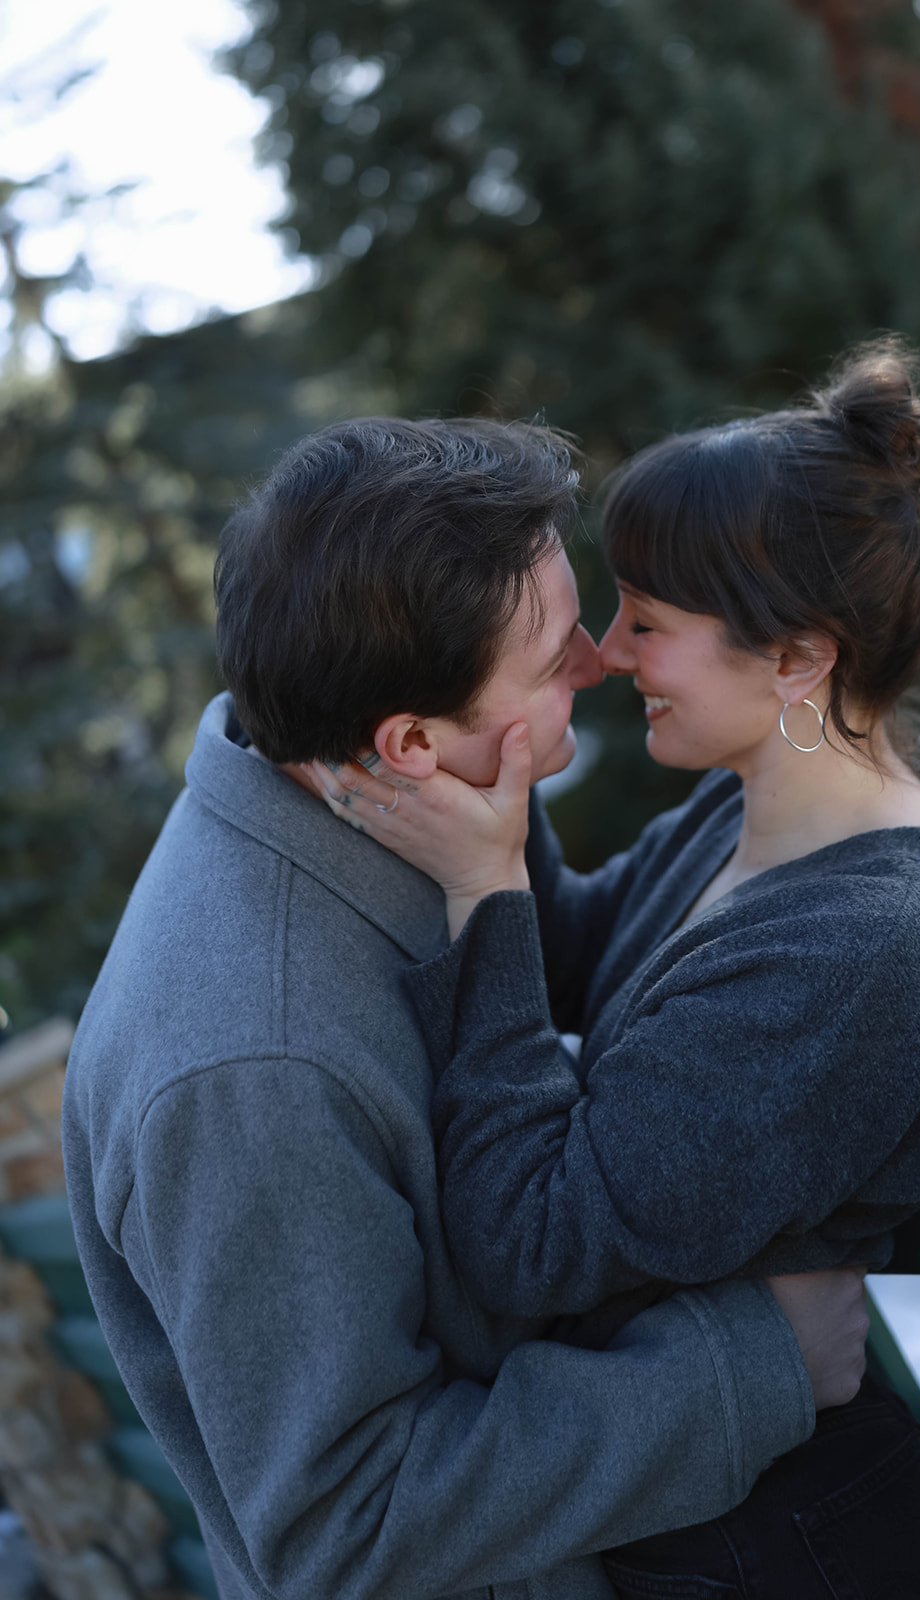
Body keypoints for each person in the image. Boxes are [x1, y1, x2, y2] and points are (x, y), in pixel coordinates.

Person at [61, 416, 870, 1600]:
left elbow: (569, 969)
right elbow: (345, 1526)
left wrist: (834, 794)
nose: (598, 660)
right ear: (409, 742)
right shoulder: (255, 1067)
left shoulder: (386, 794)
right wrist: (748, 1366)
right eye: (552, 661)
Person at [306, 346, 920, 1599]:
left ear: (796, 659)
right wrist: (492, 750)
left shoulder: (860, 952)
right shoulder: (757, 807)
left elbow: (533, 1243)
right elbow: (589, 958)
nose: (601, 652)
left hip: (789, 1547)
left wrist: (483, 889)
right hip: (710, 1500)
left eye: (647, 621)